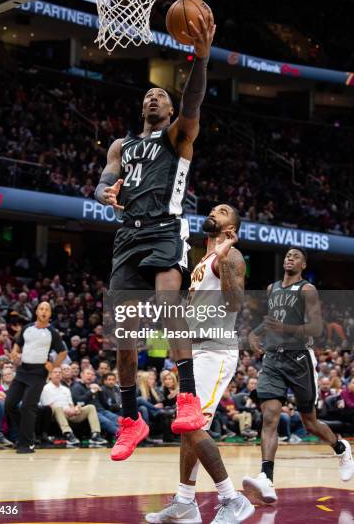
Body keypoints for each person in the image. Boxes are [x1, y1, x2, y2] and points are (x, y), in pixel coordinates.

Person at [95, 12, 216, 461]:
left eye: (160, 95)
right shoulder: (121, 146)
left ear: (169, 110)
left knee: (168, 307)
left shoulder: (178, 136)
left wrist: (200, 60)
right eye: (147, 94)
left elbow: (194, 102)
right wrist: (104, 191)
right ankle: (131, 420)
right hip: (128, 237)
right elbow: (104, 178)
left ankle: (187, 398)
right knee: (124, 339)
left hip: (166, 230)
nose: (152, 98)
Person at [146, 204, 254, 523]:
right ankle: (185, 502)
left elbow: (235, 303)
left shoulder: (230, 257)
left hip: (216, 351)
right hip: (195, 351)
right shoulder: (202, 260)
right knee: (187, 427)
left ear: (231, 228)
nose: (213, 212)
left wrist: (223, 255)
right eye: (213, 209)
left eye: (222, 212)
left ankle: (231, 499)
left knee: (192, 426)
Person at [243, 248, 354, 503]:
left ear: (303, 265)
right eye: (287, 255)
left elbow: (316, 328)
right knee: (270, 416)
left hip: (299, 360)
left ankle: (341, 448)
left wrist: (285, 328)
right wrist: (254, 333)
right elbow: (272, 319)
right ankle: (266, 478)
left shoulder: (307, 290)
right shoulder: (272, 289)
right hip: (273, 359)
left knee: (309, 422)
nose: (289, 258)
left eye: (295, 256)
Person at [5, 301, 67, 454]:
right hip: (22, 370)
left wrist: (53, 367)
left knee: (28, 406)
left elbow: (63, 352)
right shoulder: (27, 328)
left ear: (50, 314)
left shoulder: (52, 332)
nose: (44, 311)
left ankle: (26, 443)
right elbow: (18, 343)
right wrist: (14, 353)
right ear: (36, 312)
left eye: (47, 309)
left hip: (39, 373)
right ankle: (28, 432)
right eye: (41, 308)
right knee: (9, 404)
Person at [40, 367, 106, 447]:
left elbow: (71, 404)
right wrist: (66, 410)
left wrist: (75, 408)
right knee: (58, 408)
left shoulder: (65, 389)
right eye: (55, 372)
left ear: (62, 375)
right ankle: (68, 434)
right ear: (50, 375)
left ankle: (95, 435)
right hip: (55, 414)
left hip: (69, 412)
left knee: (90, 407)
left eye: (60, 372)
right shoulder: (46, 388)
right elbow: (48, 406)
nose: (58, 374)